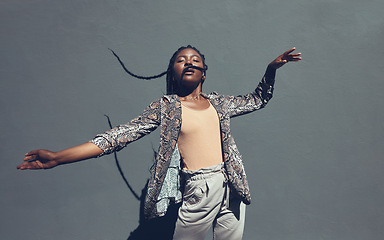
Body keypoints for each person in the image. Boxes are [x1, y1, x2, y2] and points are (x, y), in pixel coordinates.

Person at [17, 45, 301, 240]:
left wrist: (271, 70)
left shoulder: (220, 103)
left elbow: (257, 100)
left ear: (204, 72)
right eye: (180, 59)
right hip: (199, 189)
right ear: (172, 72)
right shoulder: (166, 108)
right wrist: (58, 158)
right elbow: (118, 136)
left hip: (233, 187)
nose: (188, 61)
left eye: (194, 59)